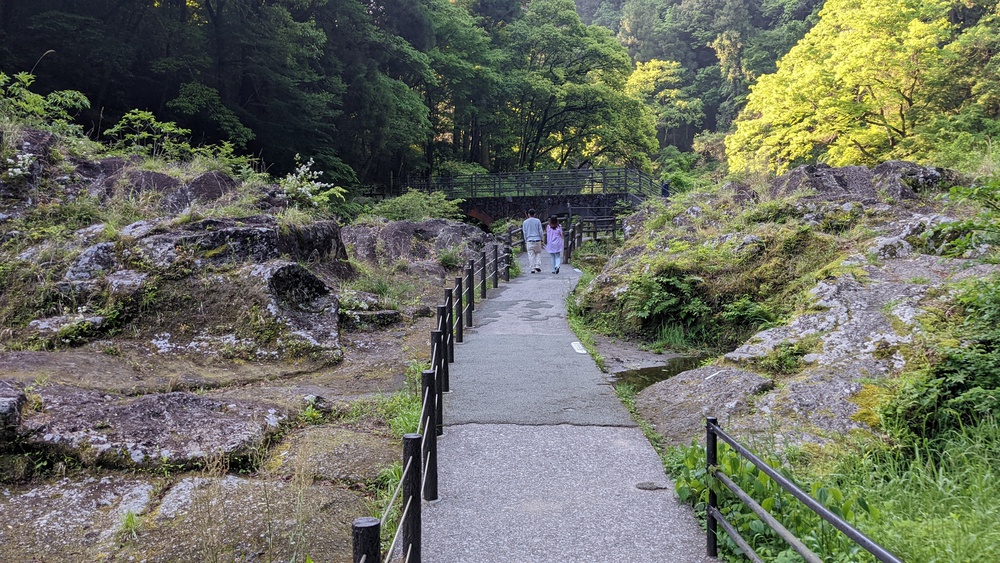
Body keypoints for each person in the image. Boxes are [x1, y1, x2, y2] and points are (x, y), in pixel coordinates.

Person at [522, 208, 544, 273]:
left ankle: (532, 268)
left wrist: (526, 240)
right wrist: (541, 238)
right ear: (534, 214)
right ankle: (537, 265)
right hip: (537, 239)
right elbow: (540, 231)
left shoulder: (525, 222)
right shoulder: (538, 221)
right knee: (538, 253)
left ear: (528, 214)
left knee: (530, 254)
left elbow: (524, 232)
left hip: (529, 240)